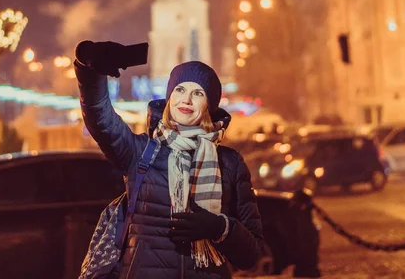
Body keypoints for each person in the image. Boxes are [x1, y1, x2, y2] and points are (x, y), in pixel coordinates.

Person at [75, 41, 265, 279]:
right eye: (180, 90)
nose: (186, 99)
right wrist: (89, 68)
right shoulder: (142, 151)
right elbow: (99, 117)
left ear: (209, 105)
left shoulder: (230, 163)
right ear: (169, 98)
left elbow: (252, 255)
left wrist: (221, 228)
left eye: (198, 93)